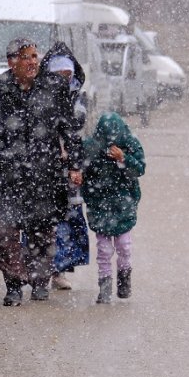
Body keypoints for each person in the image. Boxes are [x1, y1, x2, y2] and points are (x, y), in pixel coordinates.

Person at [0, 38, 83, 306]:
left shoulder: (54, 86)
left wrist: (74, 165)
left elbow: (68, 128)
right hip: (8, 177)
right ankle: (13, 285)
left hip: (45, 174)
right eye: (26, 57)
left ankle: (39, 282)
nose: (33, 62)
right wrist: (3, 160)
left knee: (42, 231)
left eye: (35, 56)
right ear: (12, 61)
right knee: (9, 234)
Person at [81, 112, 145, 304]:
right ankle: (105, 287)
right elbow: (83, 170)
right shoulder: (91, 148)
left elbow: (140, 169)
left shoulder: (130, 143)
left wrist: (123, 158)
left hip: (123, 203)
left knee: (124, 246)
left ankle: (124, 281)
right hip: (100, 204)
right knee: (104, 249)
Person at [41, 48, 90, 290]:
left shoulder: (78, 97)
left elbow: (78, 124)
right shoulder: (39, 95)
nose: (64, 78)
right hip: (43, 165)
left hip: (70, 165)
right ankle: (39, 270)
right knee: (41, 220)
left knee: (66, 219)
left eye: (67, 73)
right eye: (59, 73)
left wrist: (75, 163)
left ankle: (58, 270)